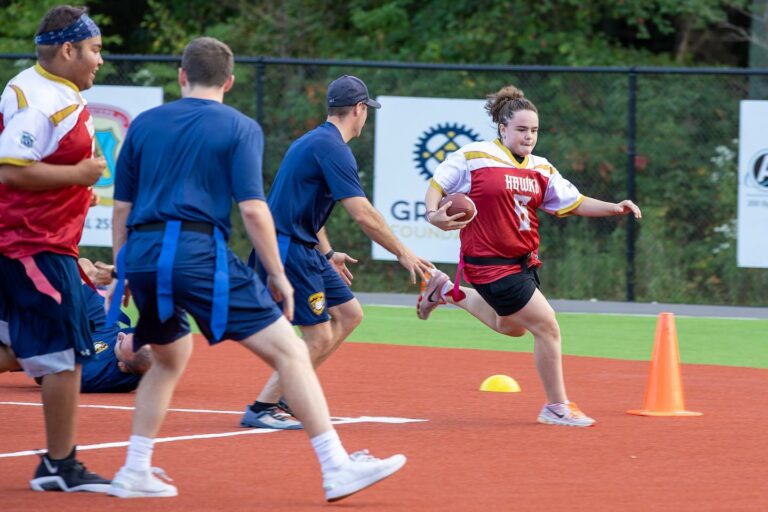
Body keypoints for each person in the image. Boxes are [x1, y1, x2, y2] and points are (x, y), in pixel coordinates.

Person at [106, 37, 406, 500]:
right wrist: (278, 274)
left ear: (181, 76)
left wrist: (124, 272)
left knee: (170, 356)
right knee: (293, 350)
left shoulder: (143, 124)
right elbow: (252, 210)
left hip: (143, 254)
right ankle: (336, 466)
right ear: (229, 81)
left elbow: (121, 208)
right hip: (196, 252)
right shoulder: (240, 127)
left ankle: (134, 469)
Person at [417, 84, 642, 428]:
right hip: (488, 263)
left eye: (534, 130)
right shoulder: (475, 156)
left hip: (521, 263)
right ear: (503, 128)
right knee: (548, 327)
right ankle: (556, 407)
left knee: (509, 327)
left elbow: (575, 202)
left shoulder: (541, 168)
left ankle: (446, 291)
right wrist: (433, 214)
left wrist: (614, 207)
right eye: (521, 129)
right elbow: (437, 184)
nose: (528, 136)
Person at [242, 74, 433, 430]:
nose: (367, 116)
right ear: (359, 109)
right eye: (367, 110)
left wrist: (327, 254)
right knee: (319, 335)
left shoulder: (318, 141)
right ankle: (262, 407)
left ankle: (291, 394)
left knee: (349, 313)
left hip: (304, 246)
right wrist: (402, 251)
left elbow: (311, 206)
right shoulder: (332, 148)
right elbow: (363, 214)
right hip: (289, 247)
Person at [0, 5, 111, 492]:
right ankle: (59, 466)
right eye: (94, 50)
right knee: (67, 352)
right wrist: (80, 176)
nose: (99, 61)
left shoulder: (49, 90)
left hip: (37, 241)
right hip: (31, 244)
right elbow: (10, 169)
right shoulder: (41, 100)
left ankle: (60, 464)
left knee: (9, 349)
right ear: (68, 50)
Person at [0, 260, 152, 393]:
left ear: (123, 367)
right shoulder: (147, 346)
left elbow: (45, 377)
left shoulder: (92, 376)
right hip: (103, 328)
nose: (122, 334)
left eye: (120, 342)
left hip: (73, 346)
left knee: (20, 350)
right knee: (82, 266)